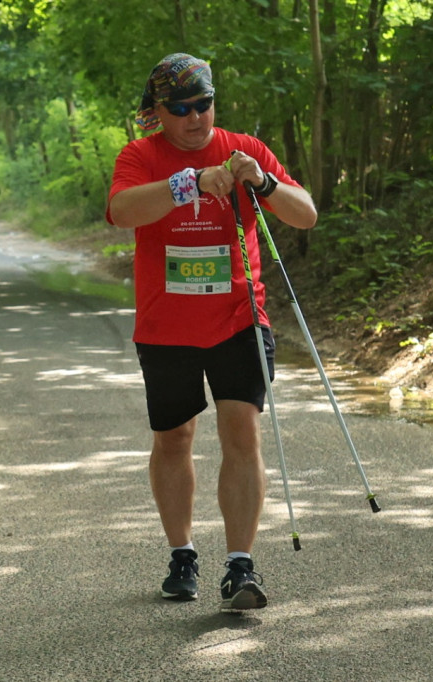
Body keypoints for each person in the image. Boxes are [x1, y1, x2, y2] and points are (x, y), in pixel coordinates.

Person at [106, 53, 317, 611]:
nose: (196, 118)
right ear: (157, 112)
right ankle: (182, 554)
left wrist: (265, 182)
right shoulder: (141, 155)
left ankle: (240, 566)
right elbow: (123, 211)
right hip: (166, 325)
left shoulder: (244, 148)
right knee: (174, 438)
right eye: (181, 108)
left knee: (241, 433)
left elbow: (306, 214)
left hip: (239, 319)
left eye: (204, 104)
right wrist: (188, 183)